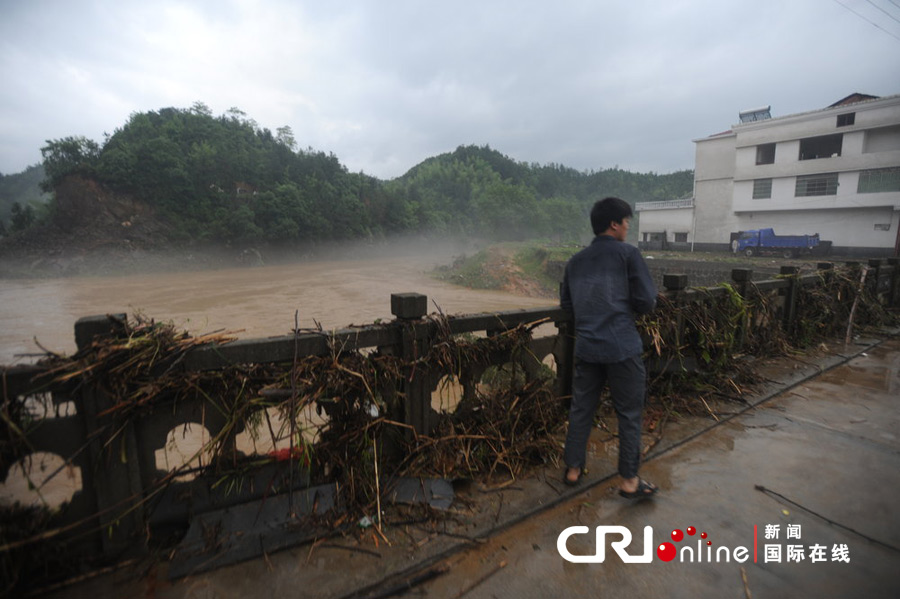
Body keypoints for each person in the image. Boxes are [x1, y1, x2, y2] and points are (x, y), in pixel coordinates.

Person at [560, 197, 658, 499]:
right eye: (627, 222)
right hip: (622, 348)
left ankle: (573, 469)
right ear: (614, 224)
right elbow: (647, 303)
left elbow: (567, 306)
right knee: (628, 413)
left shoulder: (575, 262)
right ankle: (629, 480)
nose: (628, 227)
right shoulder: (628, 254)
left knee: (581, 409)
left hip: (587, 347)